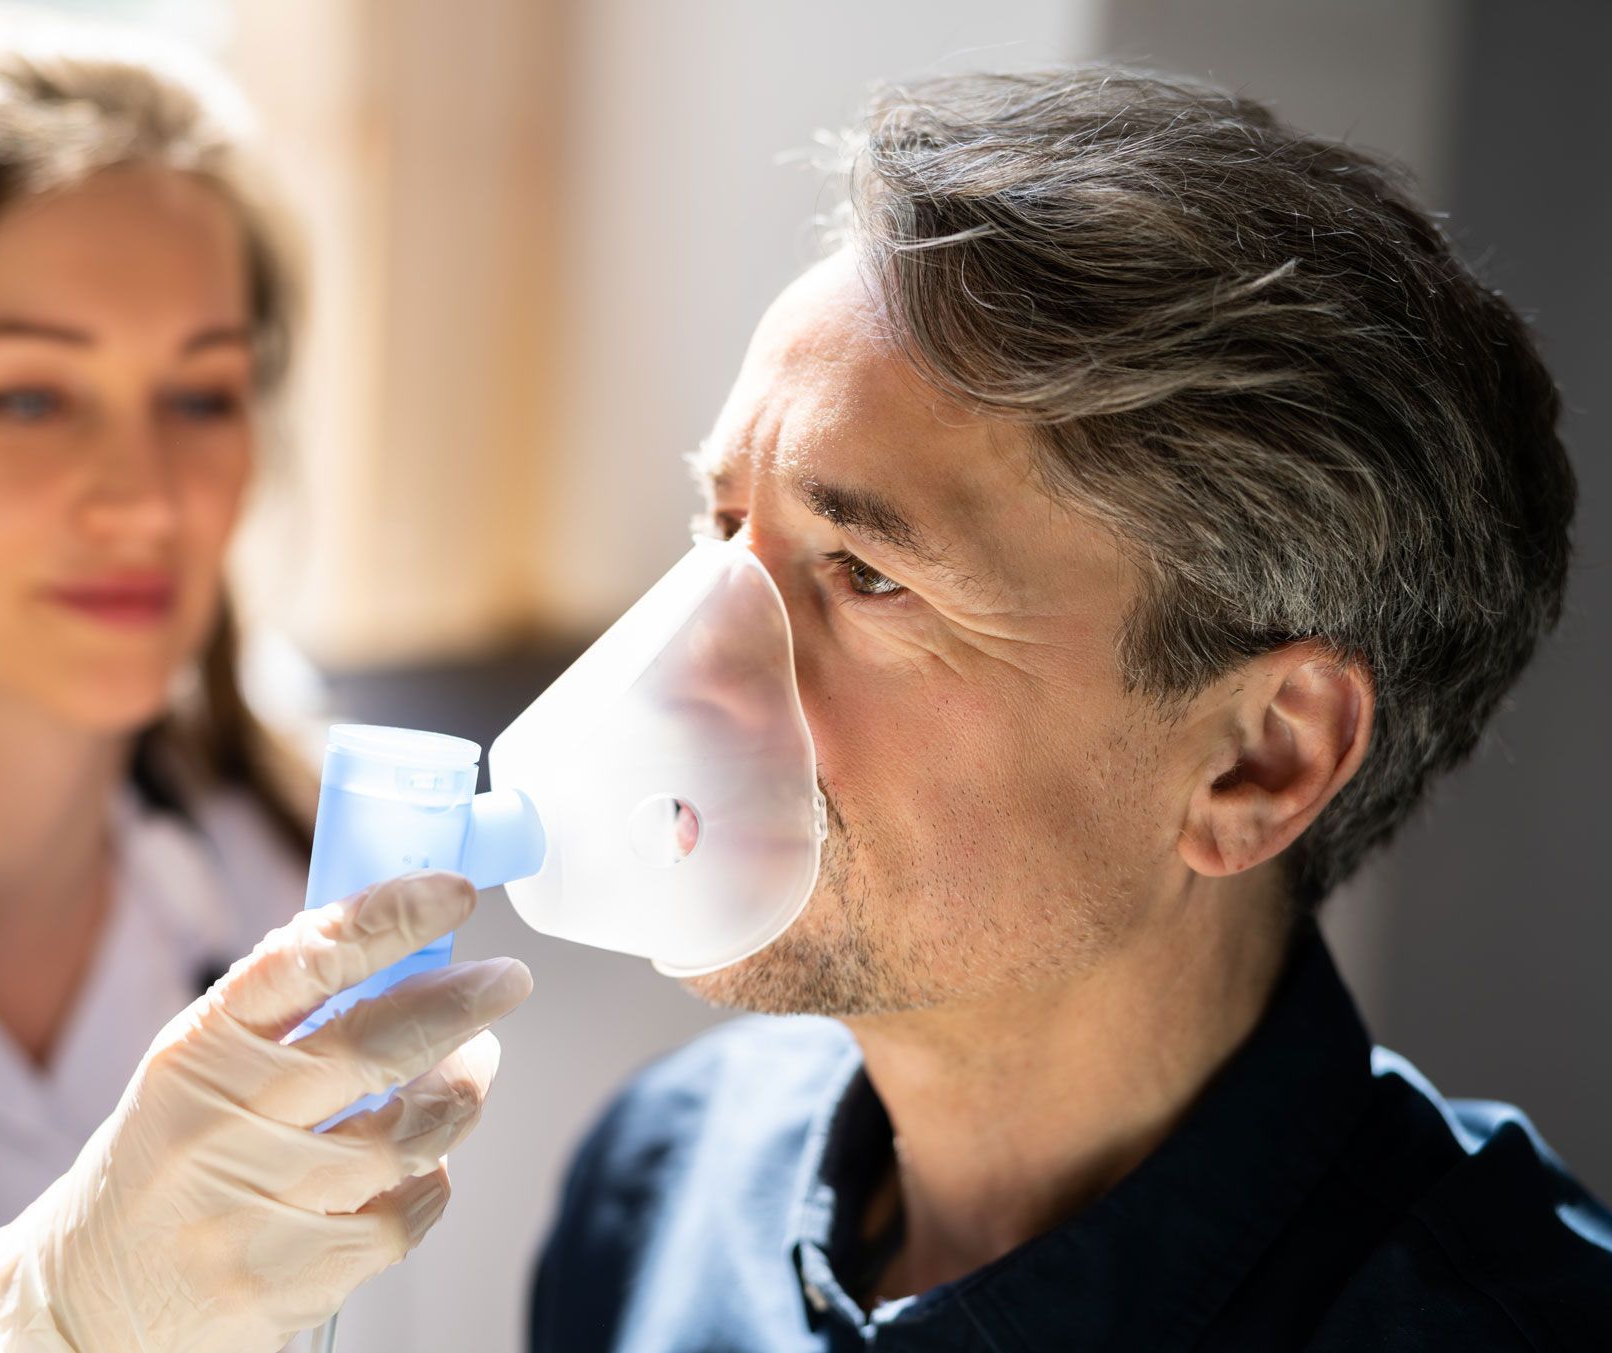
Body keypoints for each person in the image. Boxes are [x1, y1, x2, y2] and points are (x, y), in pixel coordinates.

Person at [530, 68, 1612, 1350]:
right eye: (722, 532)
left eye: (869, 576)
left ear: (1259, 760)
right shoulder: (660, 1186)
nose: (685, 667)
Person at [0, 10, 530, 1352]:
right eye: (27, 398)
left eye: (200, 398)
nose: (144, 498)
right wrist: (60, 1314)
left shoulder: (290, 871)